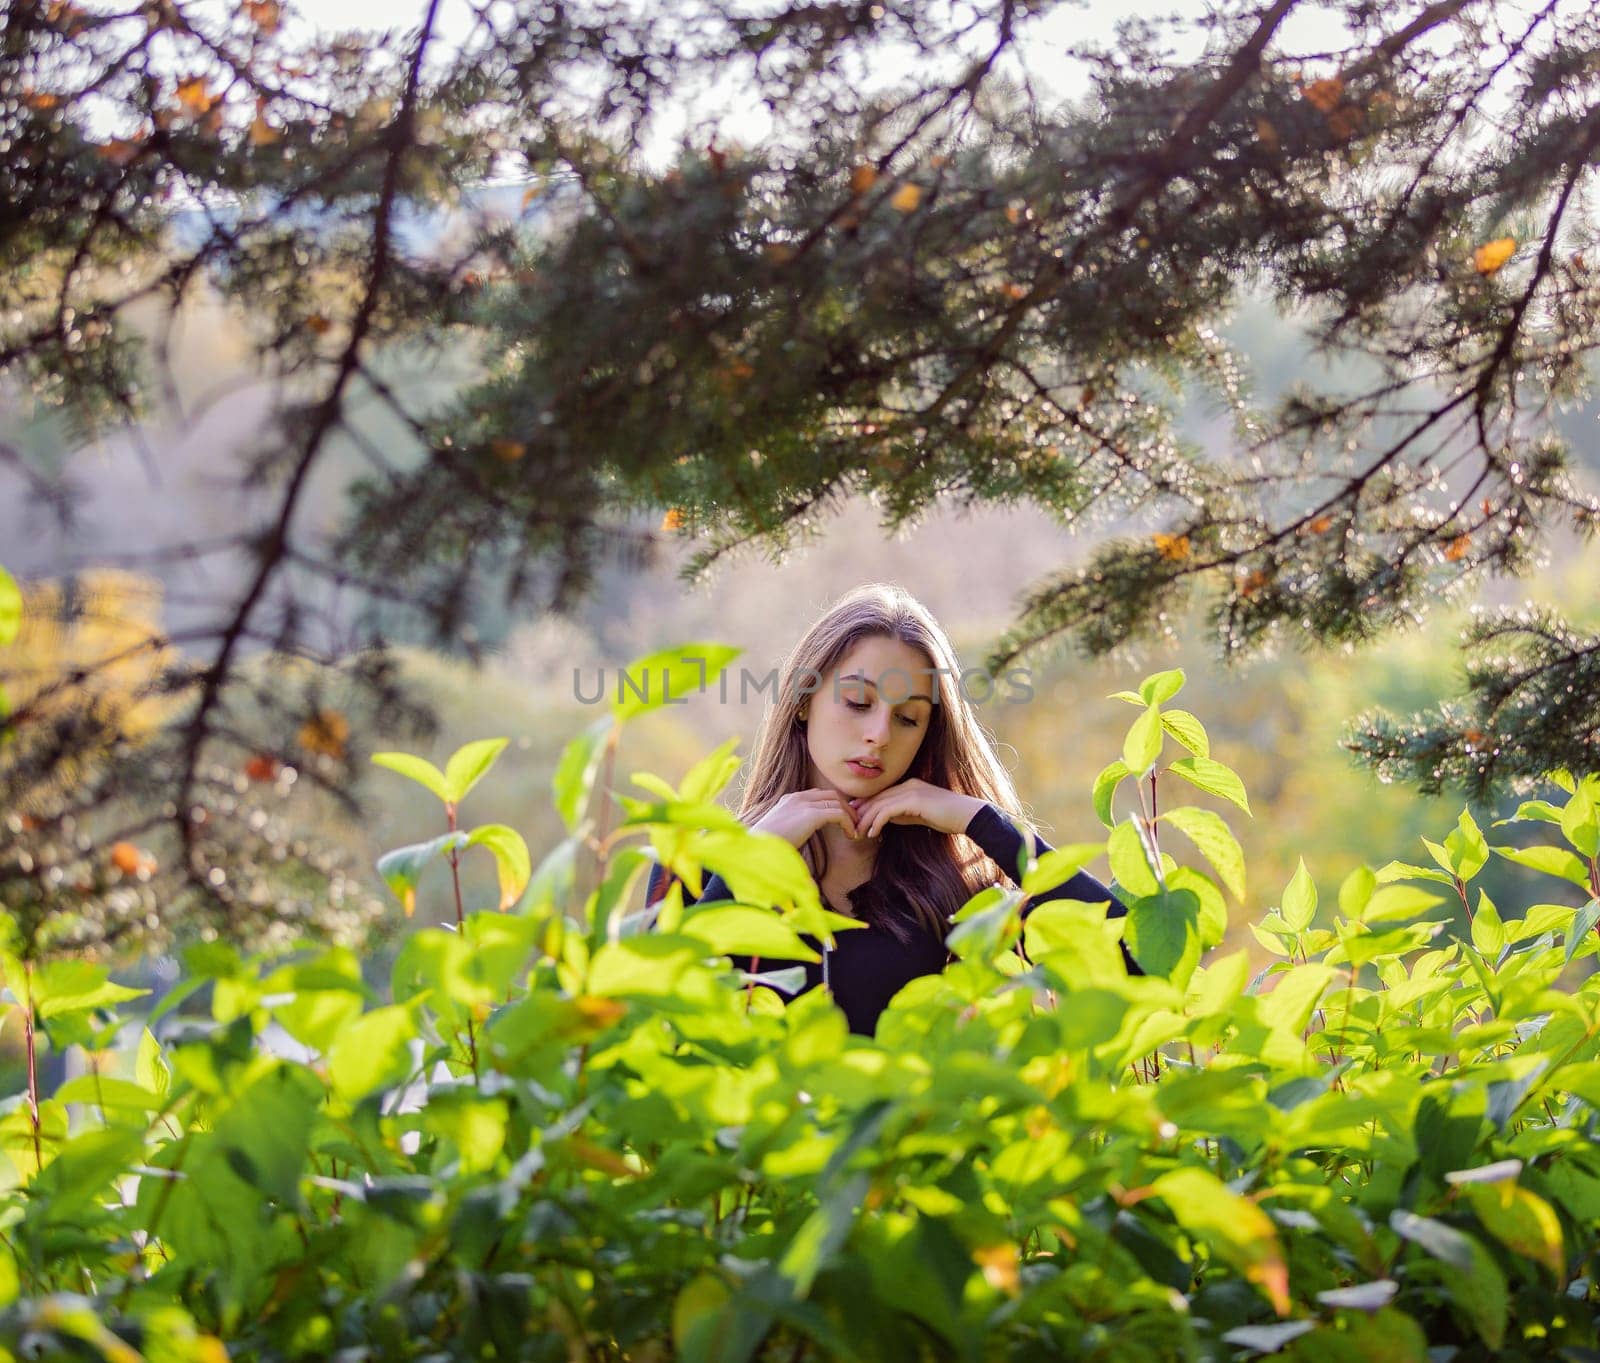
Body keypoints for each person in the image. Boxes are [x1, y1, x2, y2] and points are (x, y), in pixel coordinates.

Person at [642, 582, 1134, 1035]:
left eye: (908, 717)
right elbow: (648, 1026)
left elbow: (1138, 966)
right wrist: (750, 862)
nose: (879, 734)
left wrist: (982, 823)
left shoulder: (961, 885)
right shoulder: (693, 860)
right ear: (803, 700)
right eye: (858, 702)